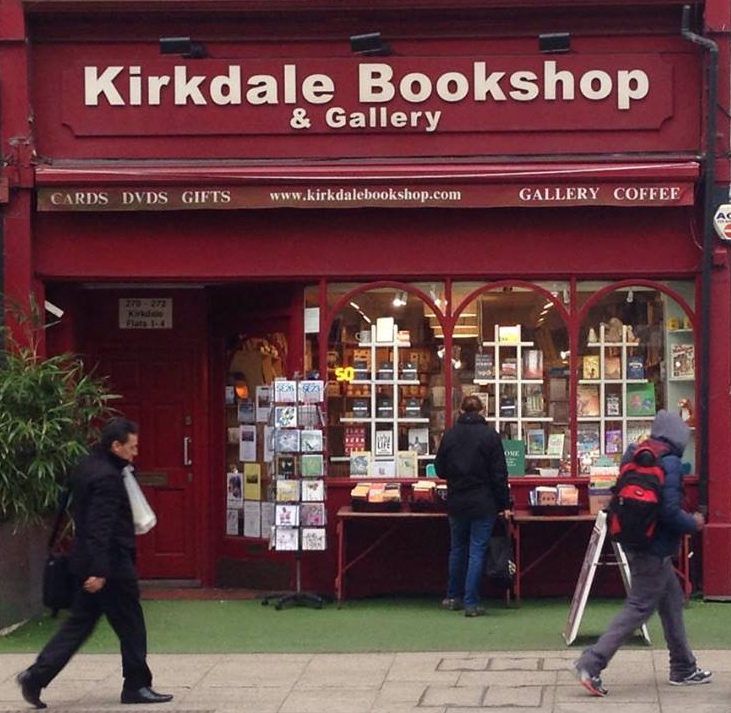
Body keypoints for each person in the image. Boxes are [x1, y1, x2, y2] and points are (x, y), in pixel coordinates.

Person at [17, 418, 173, 709]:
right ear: (116, 446)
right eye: (132, 447)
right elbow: (100, 528)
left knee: (79, 625)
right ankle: (137, 685)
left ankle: (35, 677)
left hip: (85, 561)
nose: (135, 453)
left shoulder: (89, 466)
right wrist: (99, 571)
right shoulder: (108, 479)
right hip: (110, 566)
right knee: (131, 625)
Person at [573, 409, 710, 697]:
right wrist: (694, 523)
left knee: (671, 599)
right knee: (639, 607)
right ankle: (592, 662)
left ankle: (683, 667)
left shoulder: (635, 453)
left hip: (631, 539)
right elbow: (670, 512)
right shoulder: (669, 462)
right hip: (654, 547)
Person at [435, 395, 511, 617]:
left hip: (457, 500)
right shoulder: (490, 436)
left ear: (460, 410)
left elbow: (439, 469)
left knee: (457, 548)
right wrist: (504, 503)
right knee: (477, 550)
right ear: (483, 410)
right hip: (483, 501)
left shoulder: (450, 435)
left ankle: (452, 596)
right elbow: (499, 474)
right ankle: (471, 602)